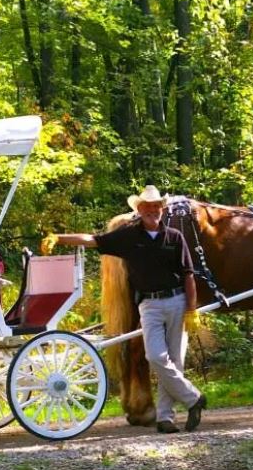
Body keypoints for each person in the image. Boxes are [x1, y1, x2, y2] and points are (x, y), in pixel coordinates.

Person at [42, 185, 206, 434]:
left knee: (175, 361)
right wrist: (60, 238)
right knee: (156, 357)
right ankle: (194, 398)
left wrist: (191, 309)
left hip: (176, 302)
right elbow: (94, 240)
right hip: (149, 305)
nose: (153, 211)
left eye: (156, 207)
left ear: (161, 209)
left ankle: (165, 418)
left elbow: (188, 275)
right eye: (148, 207)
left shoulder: (174, 236)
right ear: (139, 210)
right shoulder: (129, 236)